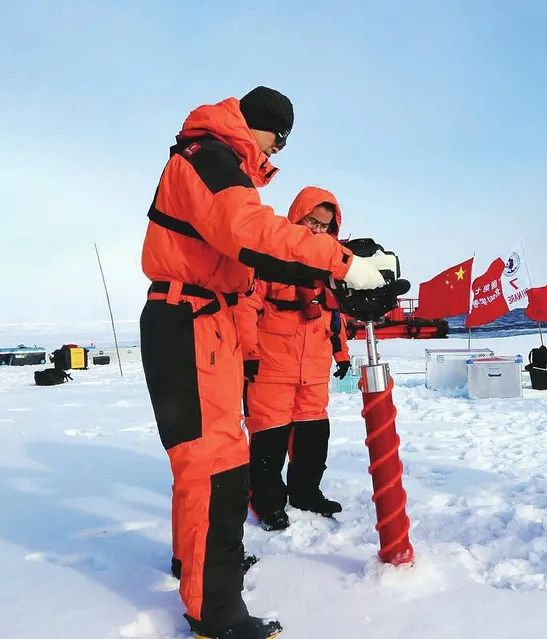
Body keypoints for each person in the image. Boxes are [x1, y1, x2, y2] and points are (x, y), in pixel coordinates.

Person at [140, 86, 387, 639]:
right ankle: (216, 613)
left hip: (202, 320)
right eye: (278, 138)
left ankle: (198, 568)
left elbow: (253, 256)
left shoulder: (212, 158)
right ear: (260, 126)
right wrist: (343, 263)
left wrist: (330, 276)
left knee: (202, 464)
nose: (276, 152)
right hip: (193, 321)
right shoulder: (209, 157)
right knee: (218, 469)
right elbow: (249, 233)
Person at [236, 187, 353, 531]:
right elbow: (246, 307)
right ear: (295, 218)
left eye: (324, 226)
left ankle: (305, 493)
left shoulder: (328, 270)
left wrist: (342, 354)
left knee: (314, 437)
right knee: (268, 440)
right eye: (311, 221)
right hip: (271, 367)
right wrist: (248, 354)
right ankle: (268, 503)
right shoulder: (270, 260)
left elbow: (335, 317)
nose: (317, 230)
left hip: (314, 371)